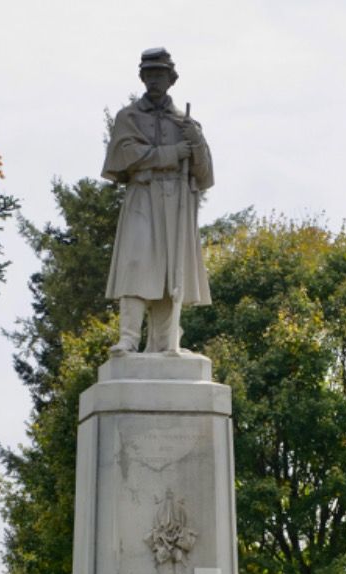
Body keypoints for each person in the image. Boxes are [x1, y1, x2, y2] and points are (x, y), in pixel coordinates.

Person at [102, 47, 213, 357]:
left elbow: (204, 174)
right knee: (136, 264)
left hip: (177, 200)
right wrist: (170, 154)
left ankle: (165, 342)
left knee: (170, 272)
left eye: (160, 75)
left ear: (170, 79)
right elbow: (125, 156)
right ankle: (128, 338)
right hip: (143, 194)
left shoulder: (185, 121)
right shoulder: (129, 117)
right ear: (142, 78)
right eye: (149, 75)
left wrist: (197, 142)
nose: (154, 81)